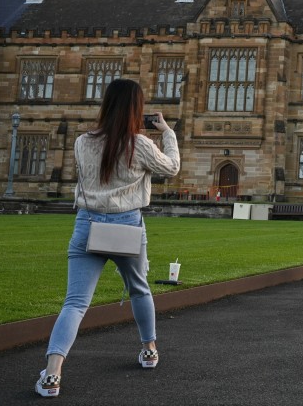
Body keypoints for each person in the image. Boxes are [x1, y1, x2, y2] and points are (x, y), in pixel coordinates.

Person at [35, 79, 180, 398]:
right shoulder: (139, 144)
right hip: (127, 226)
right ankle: (149, 349)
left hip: (87, 223)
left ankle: (53, 374)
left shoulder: (83, 142)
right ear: (136, 109)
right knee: (139, 289)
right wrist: (167, 132)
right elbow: (171, 168)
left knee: (75, 303)